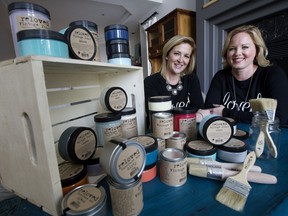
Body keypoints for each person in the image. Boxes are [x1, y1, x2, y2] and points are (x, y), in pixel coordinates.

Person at [205, 25, 288, 126]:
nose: (237, 53)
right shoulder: (221, 77)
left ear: (257, 50)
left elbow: (278, 118)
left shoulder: (273, 74)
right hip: (228, 136)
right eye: (232, 48)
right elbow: (210, 112)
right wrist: (254, 116)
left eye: (245, 47)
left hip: (261, 138)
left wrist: (225, 112)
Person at [144, 35, 208, 130]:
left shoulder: (192, 79)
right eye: (177, 53)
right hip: (162, 136)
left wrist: (199, 115)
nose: (181, 60)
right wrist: (196, 117)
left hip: (189, 133)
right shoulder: (151, 82)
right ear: (166, 55)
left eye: (186, 56)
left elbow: (200, 110)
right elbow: (159, 121)